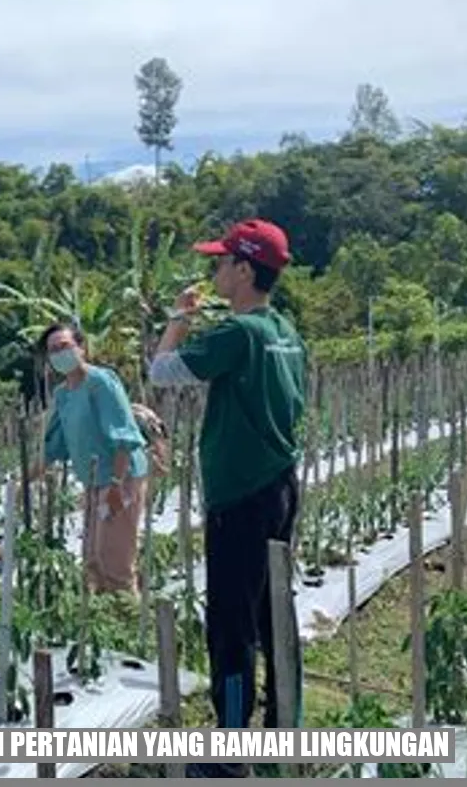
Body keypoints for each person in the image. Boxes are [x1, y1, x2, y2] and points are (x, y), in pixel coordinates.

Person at [148, 218, 308, 777]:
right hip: (281, 485)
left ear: (243, 270)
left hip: (240, 498)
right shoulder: (285, 332)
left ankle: (232, 749)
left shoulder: (238, 333)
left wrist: (179, 319)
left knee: (232, 625)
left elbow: (162, 372)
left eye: (221, 262)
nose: (215, 270)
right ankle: (286, 724)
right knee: (273, 612)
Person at [40, 318, 151, 596]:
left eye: (64, 346)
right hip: (94, 482)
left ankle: (129, 626)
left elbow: (124, 436)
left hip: (120, 479)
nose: (59, 355)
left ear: (82, 348)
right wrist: (23, 481)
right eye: (52, 351)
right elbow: (55, 445)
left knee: (115, 561)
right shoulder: (63, 394)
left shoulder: (100, 382)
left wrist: (116, 484)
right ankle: (103, 624)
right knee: (92, 559)